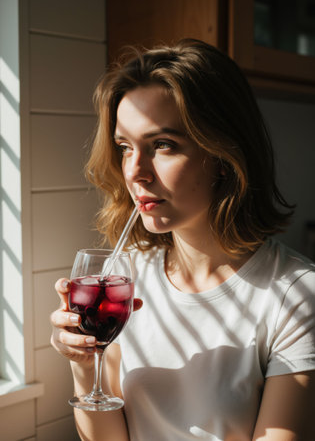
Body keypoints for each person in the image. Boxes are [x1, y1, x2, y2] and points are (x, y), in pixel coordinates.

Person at [50, 39, 315, 440]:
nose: (135, 171)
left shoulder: (295, 295)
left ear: (224, 156)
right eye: (125, 147)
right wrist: (84, 364)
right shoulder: (123, 274)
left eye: (162, 145)